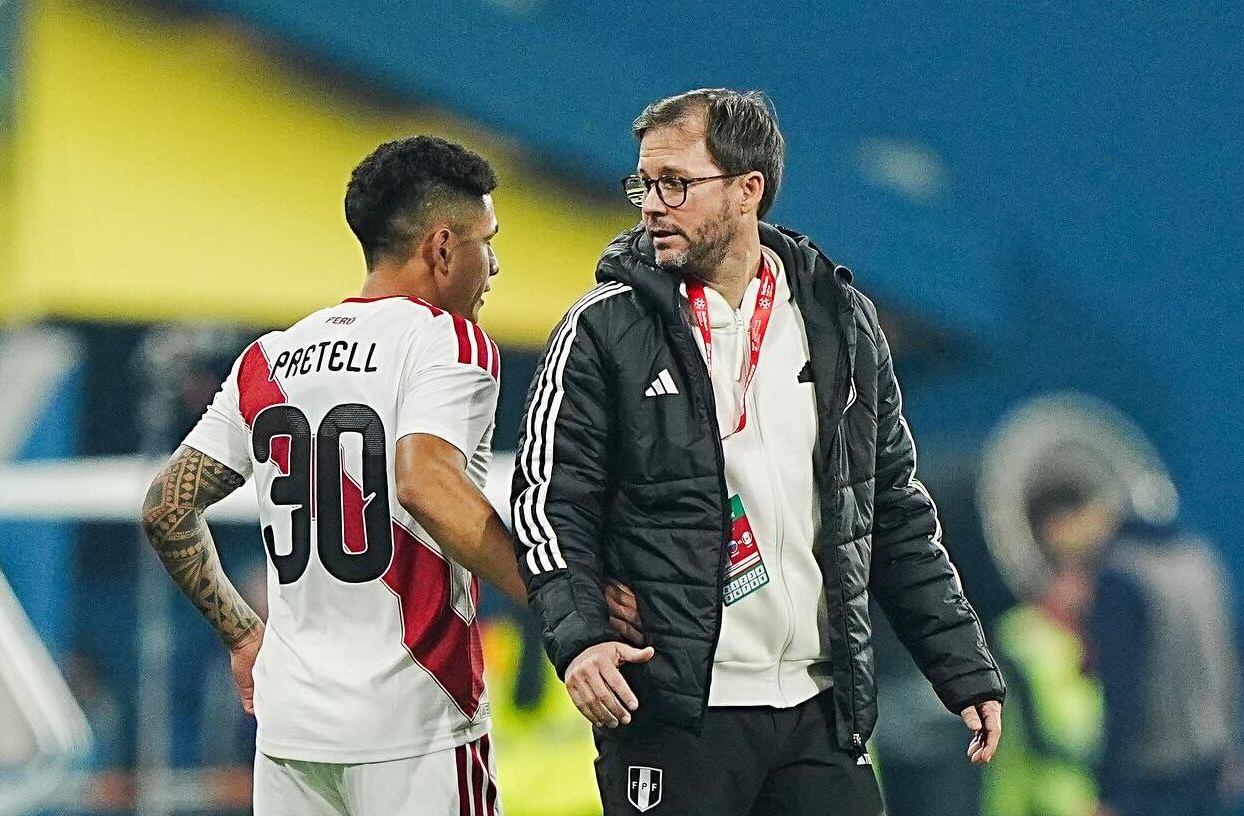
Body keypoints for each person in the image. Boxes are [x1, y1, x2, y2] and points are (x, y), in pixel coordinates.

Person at [511, 88, 1005, 815]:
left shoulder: (841, 324)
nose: (652, 203)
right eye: (645, 183)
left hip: (819, 707)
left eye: (676, 183)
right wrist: (581, 638)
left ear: (749, 190)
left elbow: (894, 509)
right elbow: (550, 504)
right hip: (678, 713)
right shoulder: (602, 330)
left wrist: (961, 665)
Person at [141, 136, 519, 816]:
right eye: (486, 242)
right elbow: (426, 485)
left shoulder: (269, 360)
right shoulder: (447, 341)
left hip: (291, 733)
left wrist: (242, 634)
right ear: (440, 247)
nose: (494, 265)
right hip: (416, 723)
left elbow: (165, 509)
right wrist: (561, 600)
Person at [1087, 508, 1241, 816]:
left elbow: (1121, 688)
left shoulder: (1122, 573)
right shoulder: (1201, 560)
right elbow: (1228, 658)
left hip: (1151, 776)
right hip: (1211, 759)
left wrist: (1108, 787)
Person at [985, 484, 1106, 816]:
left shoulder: (1079, 636)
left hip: (1074, 796)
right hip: (1036, 801)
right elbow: (1048, 734)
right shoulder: (1022, 633)